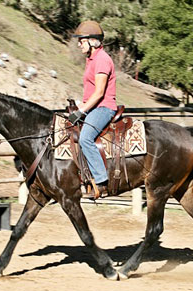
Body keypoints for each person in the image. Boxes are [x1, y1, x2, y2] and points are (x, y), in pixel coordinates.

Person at [68, 20, 118, 198]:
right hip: (93, 107)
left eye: (81, 40)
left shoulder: (102, 60)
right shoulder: (91, 60)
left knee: (86, 138)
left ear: (92, 41)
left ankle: (101, 181)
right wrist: (78, 107)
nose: (79, 44)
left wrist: (81, 111)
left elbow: (98, 94)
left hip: (103, 108)